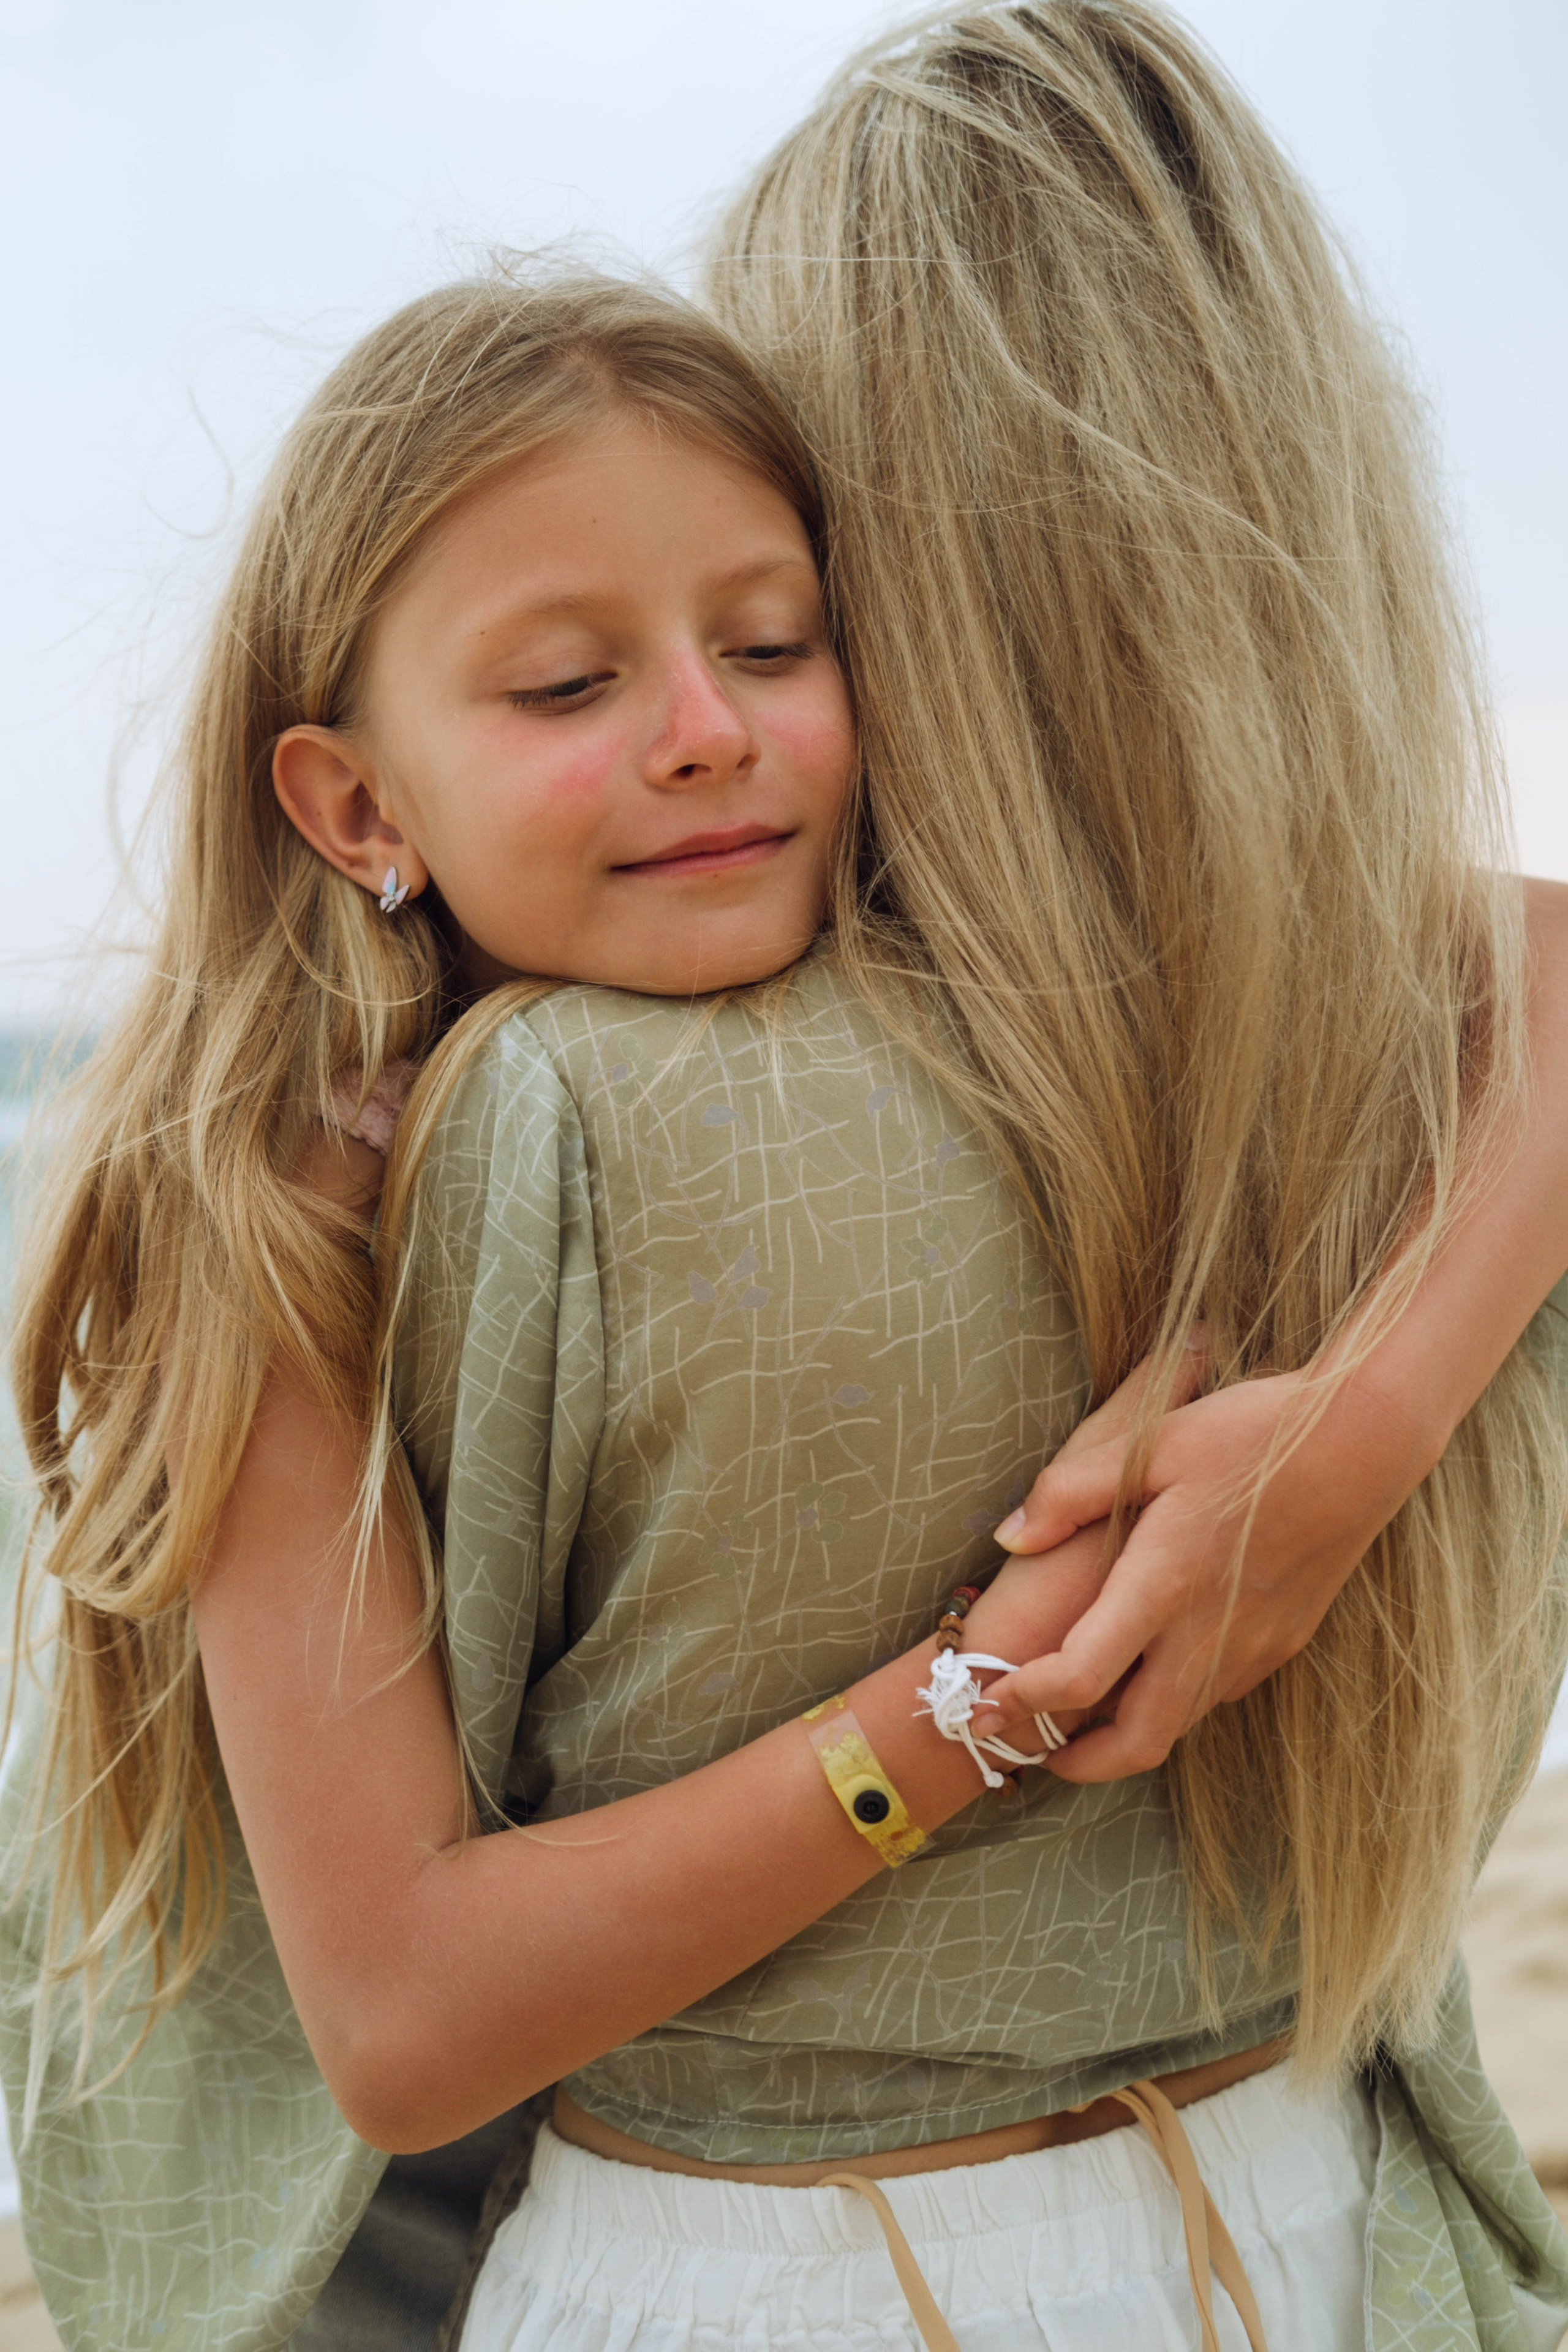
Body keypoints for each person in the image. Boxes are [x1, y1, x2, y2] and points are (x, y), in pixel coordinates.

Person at [4, 16, 1568, 2352]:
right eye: (562, 687)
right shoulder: (281, 1219)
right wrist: (974, 1703)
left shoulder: (1063, 1003)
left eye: (774, 639)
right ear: (354, 806)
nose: (707, 730)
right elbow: (399, 2023)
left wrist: (1349, 1434)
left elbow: (1527, 945)